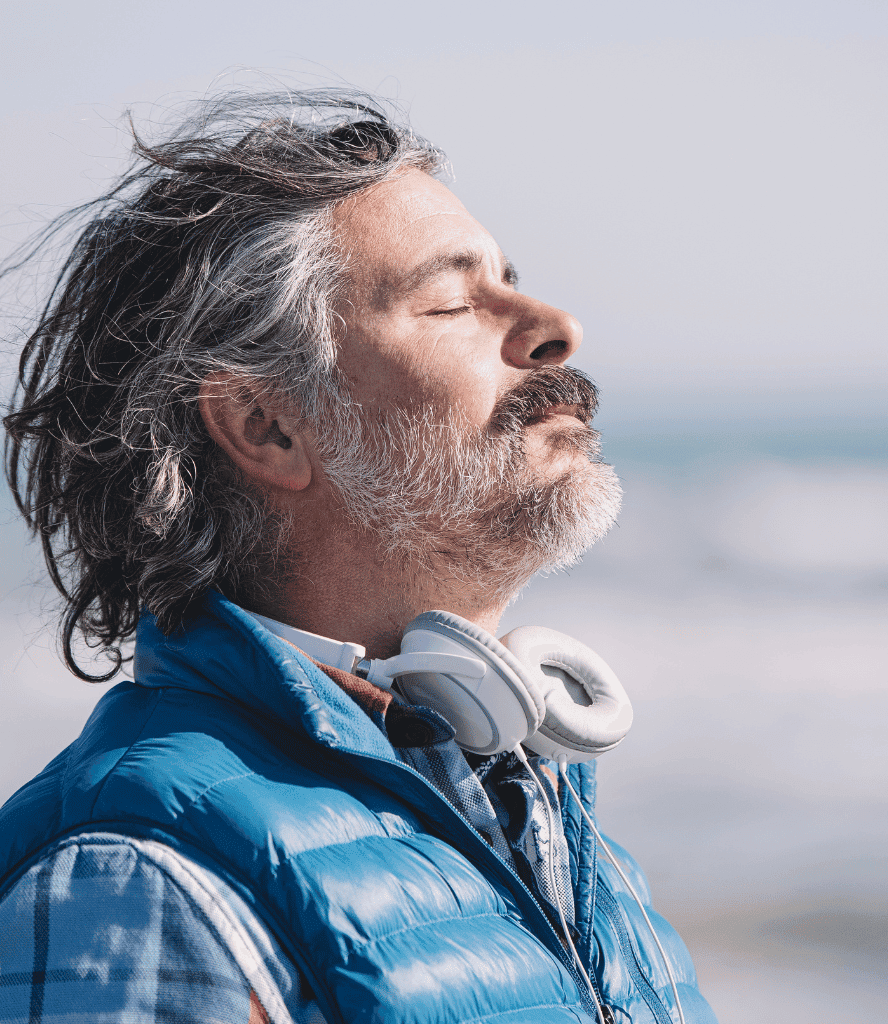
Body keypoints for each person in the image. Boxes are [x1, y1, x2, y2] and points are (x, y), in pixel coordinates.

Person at [0, 88, 718, 1024]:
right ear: (267, 425)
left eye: (512, 275)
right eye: (455, 300)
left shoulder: (559, 832)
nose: (554, 326)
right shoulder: (138, 881)